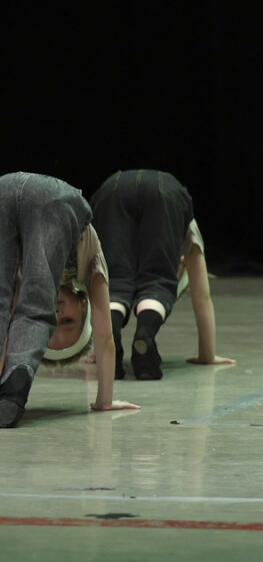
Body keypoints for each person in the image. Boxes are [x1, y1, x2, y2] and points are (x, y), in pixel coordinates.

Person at [1, 172, 140, 428]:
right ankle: (15, 383)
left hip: (4, 189)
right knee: (37, 307)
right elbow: (105, 338)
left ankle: (13, 379)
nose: (57, 313)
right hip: (52, 198)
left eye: (52, 326)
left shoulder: (20, 289)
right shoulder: (90, 268)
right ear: (84, 306)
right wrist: (104, 400)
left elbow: (7, 326)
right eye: (66, 321)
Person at [88, 170, 234, 379]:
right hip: (166, 192)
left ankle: (108, 347)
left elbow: (92, 277)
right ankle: (145, 334)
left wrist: (97, 348)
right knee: (156, 283)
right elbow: (202, 296)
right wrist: (207, 355)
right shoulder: (183, 222)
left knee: (114, 284)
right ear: (181, 263)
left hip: (111, 191)